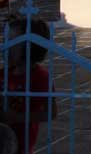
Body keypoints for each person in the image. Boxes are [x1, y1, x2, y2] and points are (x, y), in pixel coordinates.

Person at [1, 16, 56, 153]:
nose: (5, 45)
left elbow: (50, 112)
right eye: (5, 40)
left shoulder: (41, 77)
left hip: (22, 141)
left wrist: (17, 117)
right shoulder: (3, 73)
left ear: (30, 46)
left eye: (13, 41)